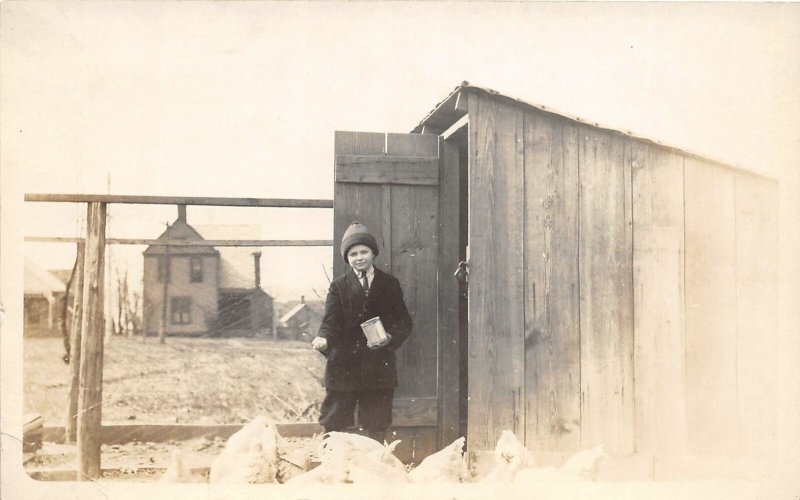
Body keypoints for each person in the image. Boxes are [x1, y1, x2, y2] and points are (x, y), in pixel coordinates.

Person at [311, 221, 412, 443]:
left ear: (373, 253)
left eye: (364, 251)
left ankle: (374, 459)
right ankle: (331, 458)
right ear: (347, 258)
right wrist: (324, 338)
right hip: (343, 363)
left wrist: (389, 338)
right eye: (353, 253)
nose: (359, 257)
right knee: (335, 416)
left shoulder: (389, 284)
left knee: (377, 417)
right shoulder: (338, 287)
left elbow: (403, 321)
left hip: (378, 362)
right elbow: (331, 320)